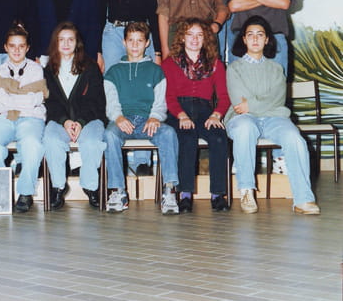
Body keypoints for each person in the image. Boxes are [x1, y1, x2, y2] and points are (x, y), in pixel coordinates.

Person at [225, 16, 320, 215]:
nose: (255, 39)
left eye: (260, 35)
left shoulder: (277, 69)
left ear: (267, 39)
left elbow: (278, 98)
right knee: (245, 128)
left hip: (274, 119)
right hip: (242, 119)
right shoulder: (234, 69)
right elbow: (239, 103)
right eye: (250, 34)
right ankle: (246, 191)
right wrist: (262, 104)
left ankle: (303, 199)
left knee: (294, 138)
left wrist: (252, 104)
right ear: (244, 39)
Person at [102, 22, 180, 215]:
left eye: (139, 41)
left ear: (147, 43)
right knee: (109, 135)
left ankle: (169, 190)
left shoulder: (155, 71)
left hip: (147, 121)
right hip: (123, 120)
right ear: (124, 42)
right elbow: (111, 102)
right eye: (131, 40)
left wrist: (155, 117)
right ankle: (118, 191)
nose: (135, 45)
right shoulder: (113, 72)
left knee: (169, 133)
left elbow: (160, 102)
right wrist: (118, 117)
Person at [162, 19, 230, 213]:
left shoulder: (216, 64)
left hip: (205, 111)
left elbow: (224, 96)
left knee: (219, 138)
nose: (194, 39)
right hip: (177, 110)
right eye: (190, 34)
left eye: (199, 35)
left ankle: (218, 194)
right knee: (187, 138)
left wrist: (216, 115)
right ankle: (185, 194)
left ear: (205, 39)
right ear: (182, 37)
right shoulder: (169, 63)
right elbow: (168, 96)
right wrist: (181, 115)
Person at [42, 22, 107, 210]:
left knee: (92, 142)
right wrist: (65, 121)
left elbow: (96, 101)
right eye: (61, 40)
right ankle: (58, 187)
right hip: (60, 120)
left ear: (77, 43)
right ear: (55, 43)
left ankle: (90, 187)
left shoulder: (91, 67)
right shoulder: (48, 70)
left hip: (89, 119)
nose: (66, 44)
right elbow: (49, 102)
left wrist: (80, 122)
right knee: (51, 140)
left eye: (70, 39)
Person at [0, 25, 48, 213]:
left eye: (21, 46)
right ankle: (0, 191)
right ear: (5, 47)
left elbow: (36, 99)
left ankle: (26, 192)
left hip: (30, 118)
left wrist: (0, 103)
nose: (17, 50)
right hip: (4, 118)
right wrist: (21, 98)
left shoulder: (36, 69)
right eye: (12, 46)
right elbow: (26, 100)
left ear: (28, 48)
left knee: (32, 143)